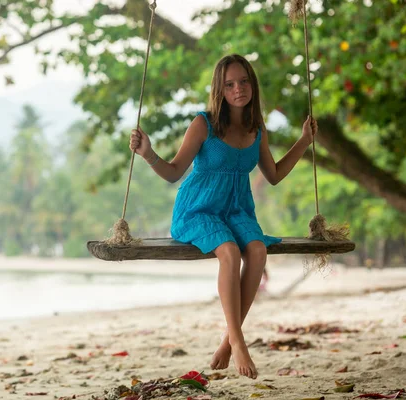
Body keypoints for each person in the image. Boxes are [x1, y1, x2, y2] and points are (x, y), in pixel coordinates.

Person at [129, 54, 317, 379]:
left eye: (243, 81)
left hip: (236, 210)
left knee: (257, 251)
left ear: (251, 85)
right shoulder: (204, 124)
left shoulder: (256, 128)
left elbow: (272, 174)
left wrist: (303, 141)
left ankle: (228, 339)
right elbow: (174, 173)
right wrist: (148, 154)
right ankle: (238, 340)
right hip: (198, 209)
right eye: (229, 84)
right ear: (220, 88)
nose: (238, 89)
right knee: (229, 252)